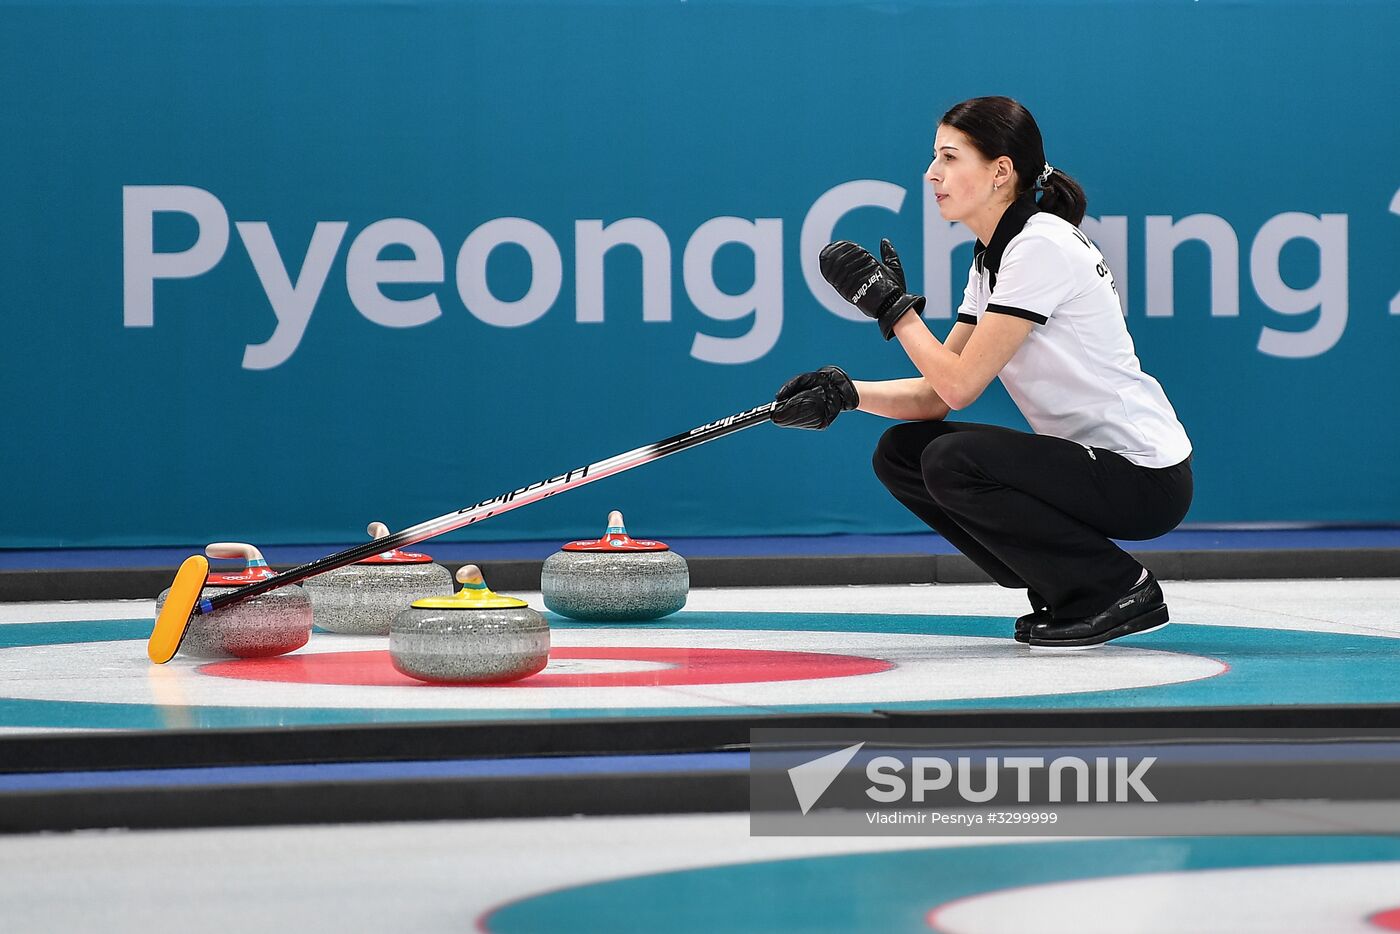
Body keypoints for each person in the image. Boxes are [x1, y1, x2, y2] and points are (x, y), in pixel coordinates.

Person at [772, 96, 1192, 650]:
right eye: (934, 157)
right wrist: (847, 394)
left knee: (953, 461)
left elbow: (959, 386)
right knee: (902, 451)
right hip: (1093, 468)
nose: (932, 173)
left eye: (949, 157)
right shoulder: (991, 256)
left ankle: (1114, 587)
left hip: (1142, 476)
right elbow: (934, 396)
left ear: (1000, 171)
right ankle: (1057, 574)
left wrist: (892, 309)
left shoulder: (1040, 245)